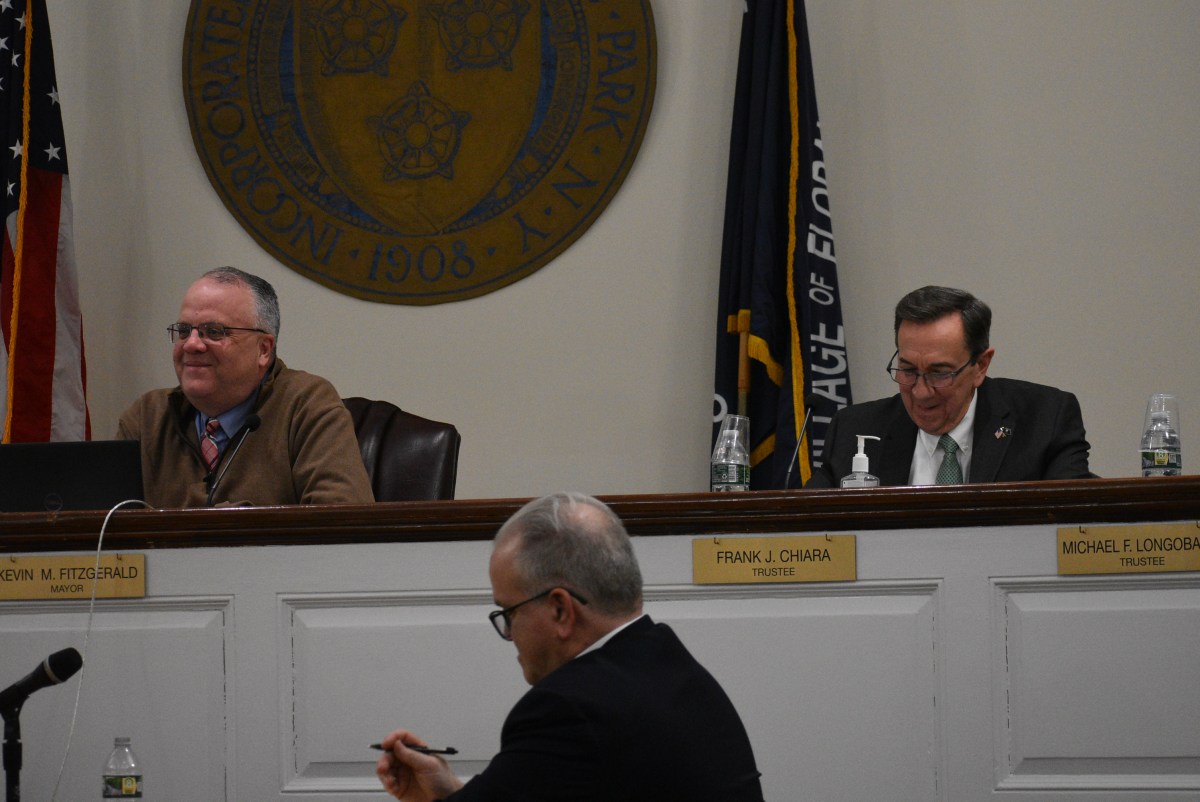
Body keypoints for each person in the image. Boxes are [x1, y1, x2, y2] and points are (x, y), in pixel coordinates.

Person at [375, 492, 765, 802]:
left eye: (509, 612)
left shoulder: (569, 708)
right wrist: (446, 791)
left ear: (560, 609)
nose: (509, 635)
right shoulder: (678, 670)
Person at [117, 267, 374, 507]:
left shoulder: (306, 405)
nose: (191, 344)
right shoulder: (147, 417)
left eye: (214, 331)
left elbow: (343, 523)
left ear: (263, 349)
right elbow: (104, 528)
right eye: (184, 331)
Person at [805, 285, 1093, 488]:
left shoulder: (1044, 420)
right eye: (908, 370)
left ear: (981, 366)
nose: (920, 392)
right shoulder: (854, 429)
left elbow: (1074, 524)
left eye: (939, 374)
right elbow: (808, 529)